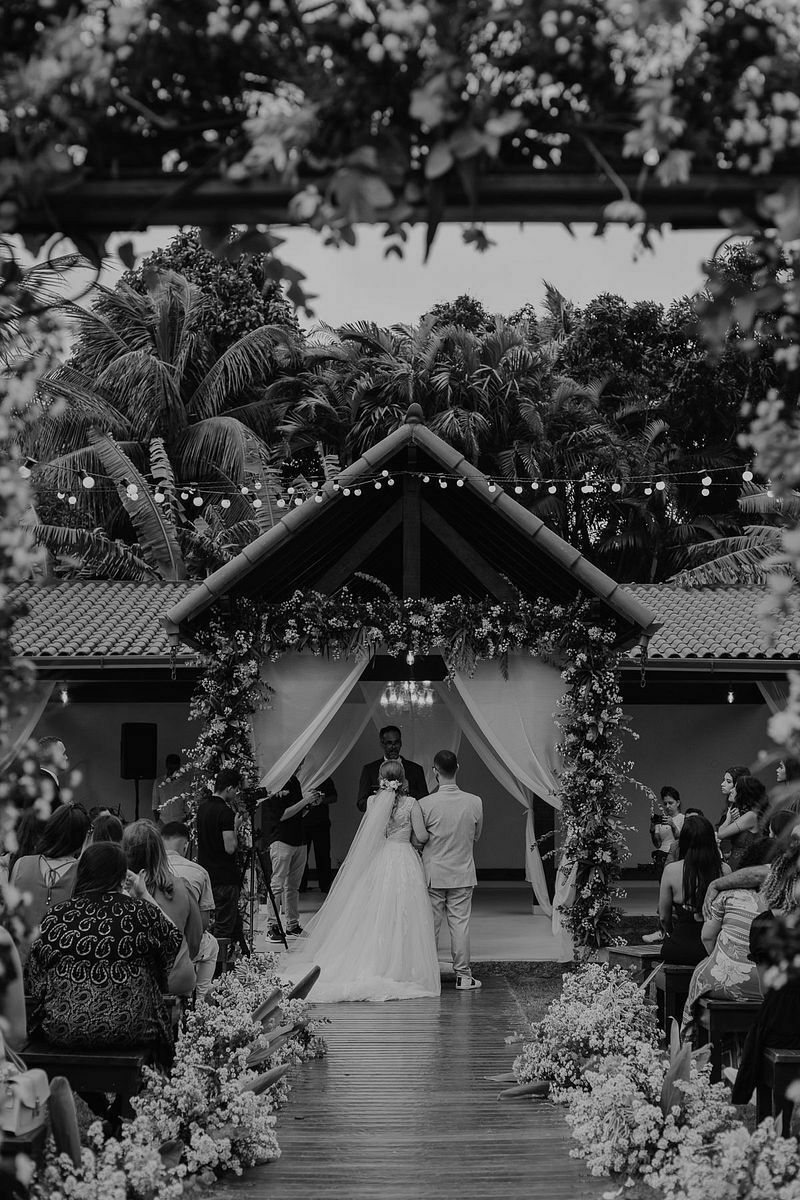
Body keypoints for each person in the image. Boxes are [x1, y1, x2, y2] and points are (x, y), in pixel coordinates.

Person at [283, 759, 440, 1001]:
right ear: (404, 779)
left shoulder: (372, 801)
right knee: (403, 911)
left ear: (380, 779)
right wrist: (429, 835)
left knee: (375, 910)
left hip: (381, 858)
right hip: (403, 859)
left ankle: (373, 958)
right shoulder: (411, 804)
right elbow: (420, 835)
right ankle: (401, 963)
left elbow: (372, 833)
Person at [26, 843, 181, 1085]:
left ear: (82, 873)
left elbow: (35, 977)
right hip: (132, 1027)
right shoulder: (140, 912)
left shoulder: (56, 917)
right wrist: (143, 895)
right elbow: (173, 939)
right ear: (122, 877)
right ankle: (113, 1117)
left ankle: (106, 1114)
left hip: (62, 1028)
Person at [680, 837, 775, 1039]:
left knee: (702, 971)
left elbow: (707, 938)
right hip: (774, 987)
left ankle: (691, 1045)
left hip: (723, 981)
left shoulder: (728, 895)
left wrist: (722, 958)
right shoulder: (788, 899)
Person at [418, 750, 484, 990]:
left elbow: (419, 839)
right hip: (463, 872)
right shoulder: (474, 801)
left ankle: (427, 977)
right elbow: (476, 836)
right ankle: (463, 976)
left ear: (435, 771)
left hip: (434, 873)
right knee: (460, 925)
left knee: (431, 926)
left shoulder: (425, 804)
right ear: (458, 767)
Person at [122, 820, 202, 997]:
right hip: (176, 981)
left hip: (131, 985)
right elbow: (195, 941)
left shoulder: (115, 890)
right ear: (160, 851)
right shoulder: (182, 887)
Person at [10, 804, 90, 963]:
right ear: (81, 837)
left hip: (18, 964)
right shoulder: (83, 871)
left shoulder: (21, 864)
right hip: (59, 970)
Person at [659, 815, 730, 966]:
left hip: (679, 947)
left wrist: (672, 932)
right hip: (712, 948)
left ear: (683, 841)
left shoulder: (671, 870)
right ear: (711, 840)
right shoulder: (724, 870)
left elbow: (664, 917)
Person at [262, 773, 325, 940]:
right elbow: (281, 815)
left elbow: (297, 813)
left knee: (293, 886)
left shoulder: (295, 781)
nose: (301, 765)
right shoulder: (276, 782)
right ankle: (273, 926)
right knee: (277, 885)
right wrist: (304, 800)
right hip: (281, 839)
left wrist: (309, 804)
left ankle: (292, 924)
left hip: (299, 838)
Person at [161, 821, 219, 1000]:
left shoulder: (144, 872)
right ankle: (200, 1000)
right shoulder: (198, 872)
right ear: (186, 845)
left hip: (156, 947)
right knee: (211, 945)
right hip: (185, 945)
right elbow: (202, 923)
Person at [196, 768, 245, 948]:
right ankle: (217, 969)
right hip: (224, 876)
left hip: (206, 874)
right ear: (229, 789)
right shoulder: (225, 812)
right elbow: (230, 847)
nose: (236, 793)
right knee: (224, 926)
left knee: (233, 922)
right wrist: (236, 827)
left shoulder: (202, 809)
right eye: (236, 790)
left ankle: (242, 956)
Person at [357, 726, 427, 813]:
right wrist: (380, 799)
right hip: (380, 822)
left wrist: (407, 792)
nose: (393, 747)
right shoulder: (369, 770)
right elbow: (361, 803)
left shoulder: (416, 769)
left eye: (396, 742)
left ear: (401, 743)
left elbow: (425, 799)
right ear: (382, 744)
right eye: (389, 743)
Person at [716, 774, 768, 869]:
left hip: (741, 867)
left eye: (735, 788)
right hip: (737, 864)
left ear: (743, 793)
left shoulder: (750, 816)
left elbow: (721, 834)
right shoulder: (748, 814)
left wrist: (728, 817)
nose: (731, 791)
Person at [300, 776, 337, 894]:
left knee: (323, 854)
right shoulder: (301, 778)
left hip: (321, 822)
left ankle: (325, 885)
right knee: (302, 855)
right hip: (303, 823)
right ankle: (301, 886)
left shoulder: (324, 778)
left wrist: (322, 800)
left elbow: (334, 797)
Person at [650, 786, 684, 872]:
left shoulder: (682, 818)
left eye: (670, 803)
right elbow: (657, 844)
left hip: (676, 856)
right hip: (661, 856)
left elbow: (680, 839)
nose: (667, 806)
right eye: (665, 804)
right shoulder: (661, 821)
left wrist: (672, 825)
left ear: (678, 803)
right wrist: (653, 830)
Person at [37, 736, 69, 810]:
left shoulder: (47, 781)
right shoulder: (43, 784)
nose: (66, 757)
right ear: (47, 754)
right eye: (63, 753)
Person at [152, 753, 183, 823]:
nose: (173, 771)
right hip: (163, 821)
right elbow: (155, 805)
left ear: (178, 767)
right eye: (170, 768)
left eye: (175, 768)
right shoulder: (158, 782)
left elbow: (187, 806)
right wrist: (159, 822)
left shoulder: (184, 783)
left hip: (179, 821)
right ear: (166, 765)